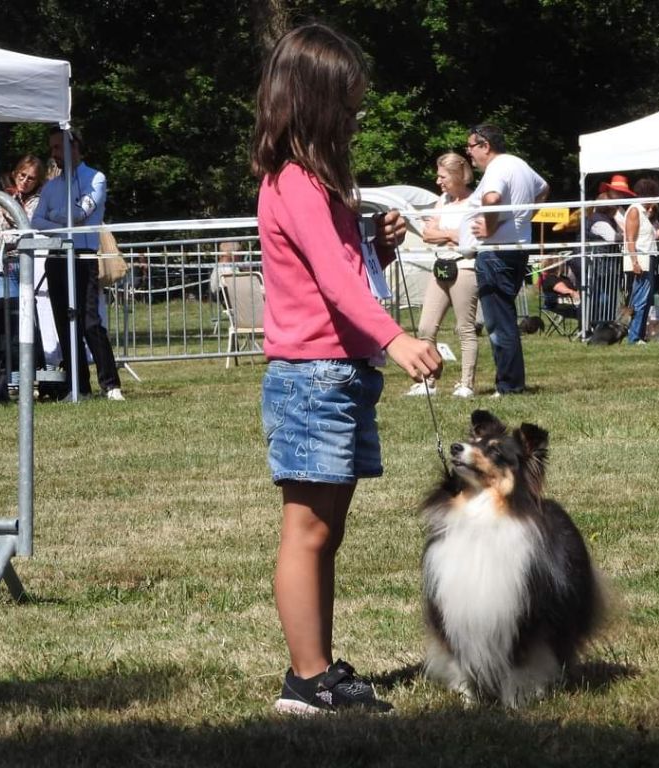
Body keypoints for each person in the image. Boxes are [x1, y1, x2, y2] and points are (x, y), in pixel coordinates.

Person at [251, 22, 442, 715]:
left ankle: (319, 667)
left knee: (326, 532)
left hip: (338, 375)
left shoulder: (321, 185)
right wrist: (396, 339)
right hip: (312, 378)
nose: (356, 116)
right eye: (349, 104)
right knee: (306, 531)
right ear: (314, 104)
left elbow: (340, 269)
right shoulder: (297, 181)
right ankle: (306, 681)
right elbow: (333, 283)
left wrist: (377, 245)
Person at [32, 124, 125, 401]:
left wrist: (57, 217)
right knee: (64, 323)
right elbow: (36, 220)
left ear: (74, 147)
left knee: (90, 322)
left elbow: (81, 213)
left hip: (83, 259)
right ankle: (79, 386)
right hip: (57, 259)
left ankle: (111, 384)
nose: (54, 154)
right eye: (51, 149)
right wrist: (63, 219)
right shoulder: (51, 186)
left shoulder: (95, 178)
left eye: (58, 147)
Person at [461, 124, 548, 396]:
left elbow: (492, 198)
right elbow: (543, 189)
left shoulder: (497, 168)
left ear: (485, 145)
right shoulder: (519, 164)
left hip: (496, 252)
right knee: (504, 318)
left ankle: (509, 386)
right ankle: (512, 382)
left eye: (471, 147)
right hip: (515, 249)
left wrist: (491, 226)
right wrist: (522, 221)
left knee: (499, 323)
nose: (469, 154)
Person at [408, 153, 478, 398]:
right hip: (441, 266)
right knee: (426, 326)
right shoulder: (443, 201)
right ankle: (427, 381)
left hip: (465, 267)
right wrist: (451, 234)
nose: (438, 181)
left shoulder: (474, 202)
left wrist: (445, 233)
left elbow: (469, 239)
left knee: (464, 328)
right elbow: (427, 234)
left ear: (457, 175)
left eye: (442, 176)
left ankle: (466, 383)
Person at [0, 155, 46, 299]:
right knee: (7, 312)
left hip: (34, 263)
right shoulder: (1, 196)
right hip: (5, 263)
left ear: (38, 181)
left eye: (31, 178)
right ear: (15, 173)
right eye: (22, 175)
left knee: (34, 313)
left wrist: (9, 217)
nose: (25, 181)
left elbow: (32, 230)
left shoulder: (42, 199)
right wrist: (19, 236)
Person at [622, 177, 659, 344]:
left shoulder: (646, 214)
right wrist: (635, 262)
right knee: (640, 299)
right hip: (640, 259)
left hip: (648, 258)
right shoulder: (634, 211)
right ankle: (633, 337)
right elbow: (630, 238)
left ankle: (638, 335)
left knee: (645, 299)